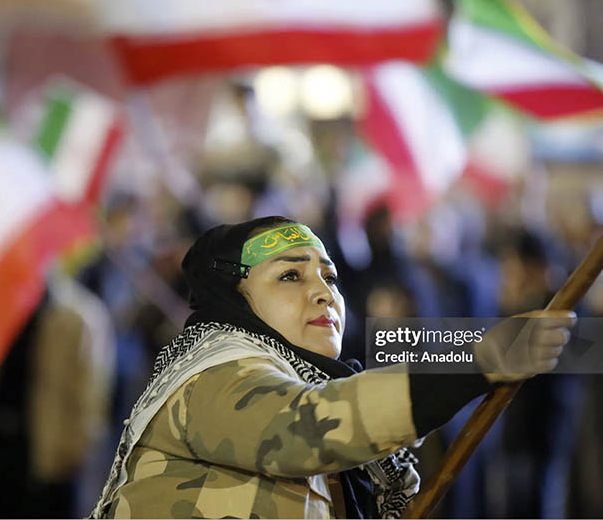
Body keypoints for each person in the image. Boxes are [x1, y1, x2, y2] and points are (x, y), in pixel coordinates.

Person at [90, 216, 575, 519]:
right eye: (290, 275)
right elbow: (308, 426)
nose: (324, 292)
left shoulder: (310, 379)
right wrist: (477, 359)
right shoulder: (209, 377)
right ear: (233, 300)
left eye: (330, 276)